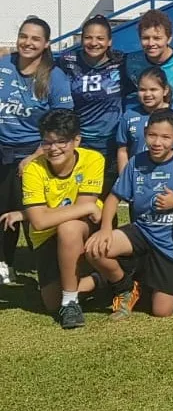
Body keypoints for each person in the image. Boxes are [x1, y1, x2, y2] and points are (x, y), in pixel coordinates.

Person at [84, 109, 173, 320]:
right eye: (152, 135)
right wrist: (106, 228)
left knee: (161, 311)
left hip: (170, 244)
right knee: (95, 249)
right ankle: (125, 287)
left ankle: (171, 280)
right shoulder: (136, 161)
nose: (157, 142)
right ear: (145, 133)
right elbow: (113, 198)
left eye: (165, 137)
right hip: (142, 231)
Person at [0, 111, 102, 327]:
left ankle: (71, 302)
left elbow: (81, 210)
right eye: (47, 142)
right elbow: (39, 222)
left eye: (61, 142)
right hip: (45, 235)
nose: (53, 148)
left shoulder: (93, 159)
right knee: (51, 304)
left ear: (77, 140)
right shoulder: (33, 168)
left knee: (69, 228)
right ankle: (103, 281)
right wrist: (88, 206)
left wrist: (40, 213)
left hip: (84, 229)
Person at [0, 17, 73, 285]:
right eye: (24, 36)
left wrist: (35, 156)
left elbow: (63, 123)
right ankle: (4, 264)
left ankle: (47, 269)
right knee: (2, 208)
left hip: (32, 151)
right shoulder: (4, 66)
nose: (27, 43)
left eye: (35, 39)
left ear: (45, 44)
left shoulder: (54, 77)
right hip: (2, 148)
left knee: (31, 211)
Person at [57, 15, 124, 195]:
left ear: (109, 41)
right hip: (79, 142)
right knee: (77, 196)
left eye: (100, 38)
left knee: (105, 198)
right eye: (88, 37)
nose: (94, 43)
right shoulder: (67, 62)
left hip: (111, 143)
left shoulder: (121, 63)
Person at [116, 67, 173, 173]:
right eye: (142, 90)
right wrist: (123, 180)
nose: (147, 94)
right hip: (139, 176)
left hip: (172, 176)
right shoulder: (129, 116)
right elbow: (122, 150)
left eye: (153, 89)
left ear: (165, 90)